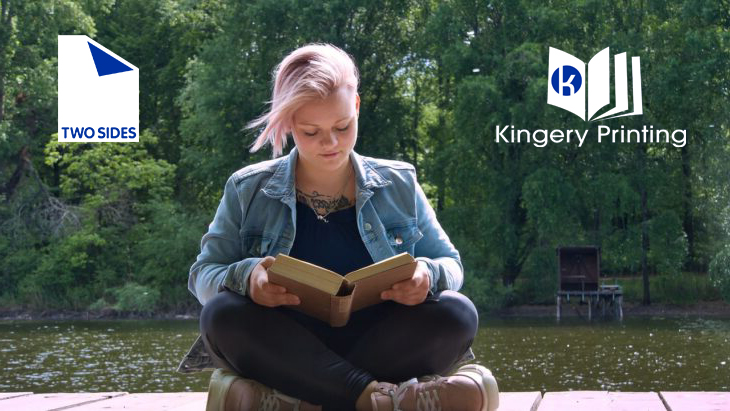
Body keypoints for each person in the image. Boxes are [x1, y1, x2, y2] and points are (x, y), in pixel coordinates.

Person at [181, 43, 499, 411]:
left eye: (342, 126)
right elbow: (203, 275)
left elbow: (451, 265)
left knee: (456, 313)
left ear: (357, 107)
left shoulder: (399, 182)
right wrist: (249, 277)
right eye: (311, 132)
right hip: (286, 346)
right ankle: (379, 399)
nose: (330, 143)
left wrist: (426, 276)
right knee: (221, 315)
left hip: (379, 342)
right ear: (288, 124)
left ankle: (295, 401)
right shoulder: (246, 188)